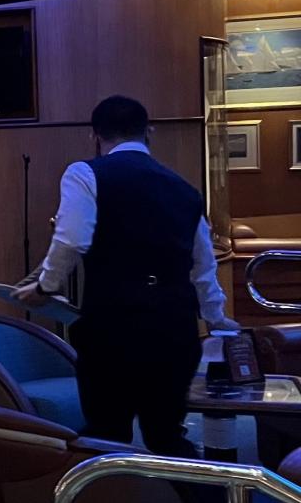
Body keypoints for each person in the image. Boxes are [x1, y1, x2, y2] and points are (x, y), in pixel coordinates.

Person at [14, 95, 237, 456]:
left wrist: (45, 286)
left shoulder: (85, 173)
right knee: (166, 435)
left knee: (107, 434)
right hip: (175, 327)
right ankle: (195, 494)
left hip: (113, 325)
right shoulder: (184, 189)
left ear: (94, 136)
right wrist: (214, 317)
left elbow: (71, 239)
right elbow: (203, 265)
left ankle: (113, 494)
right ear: (149, 132)